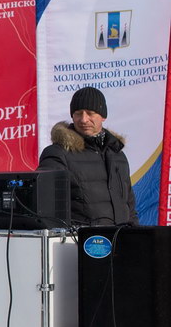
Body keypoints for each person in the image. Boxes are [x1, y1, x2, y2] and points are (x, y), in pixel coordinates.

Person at [38, 86, 137, 227]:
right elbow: (44, 204)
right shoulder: (57, 153)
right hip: (81, 244)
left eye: (90, 113)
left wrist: (137, 237)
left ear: (103, 116)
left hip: (121, 241)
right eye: (78, 113)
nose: (84, 120)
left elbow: (129, 206)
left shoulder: (118, 154)